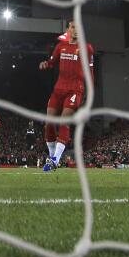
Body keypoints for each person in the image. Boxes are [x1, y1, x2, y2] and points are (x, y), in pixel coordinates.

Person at [38, 20, 95, 171]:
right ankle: (52, 157)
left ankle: (55, 159)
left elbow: (90, 72)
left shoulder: (87, 48)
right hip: (59, 89)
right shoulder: (60, 46)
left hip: (75, 90)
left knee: (64, 121)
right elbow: (51, 62)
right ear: (68, 30)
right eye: (73, 27)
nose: (76, 30)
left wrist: (89, 94)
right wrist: (46, 64)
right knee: (49, 123)